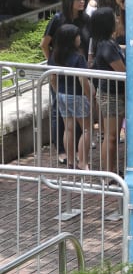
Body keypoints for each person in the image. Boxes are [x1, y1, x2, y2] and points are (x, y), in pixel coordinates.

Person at [41, 0, 90, 165]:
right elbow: (45, 44)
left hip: (80, 70)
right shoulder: (58, 19)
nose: (82, 2)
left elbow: (88, 43)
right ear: (69, 1)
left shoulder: (85, 20)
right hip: (61, 74)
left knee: (76, 115)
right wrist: (54, 63)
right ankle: (63, 152)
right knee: (61, 113)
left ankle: (76, 154)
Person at [48, 24, 96, 170]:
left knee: (68, 128)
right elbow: (83, 80)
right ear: (71, 39)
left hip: (62, 95)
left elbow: (52, 78)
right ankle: (83, 162)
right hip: (78, 95)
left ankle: (70, 161)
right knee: (87, 129)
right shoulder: (78, 58)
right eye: (77, 35)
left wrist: (58, 93)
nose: (79, 38)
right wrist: (90, 97)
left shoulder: (54, 56)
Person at [89, 7, 126, 175]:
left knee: (112, 135)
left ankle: (110, 171)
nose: (118, 20)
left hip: (112, 93)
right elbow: (121, 71)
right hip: (111, 95)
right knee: (111, 136)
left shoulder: (107, 43)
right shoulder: (107, 46)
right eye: (115, 18)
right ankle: (108, 174)